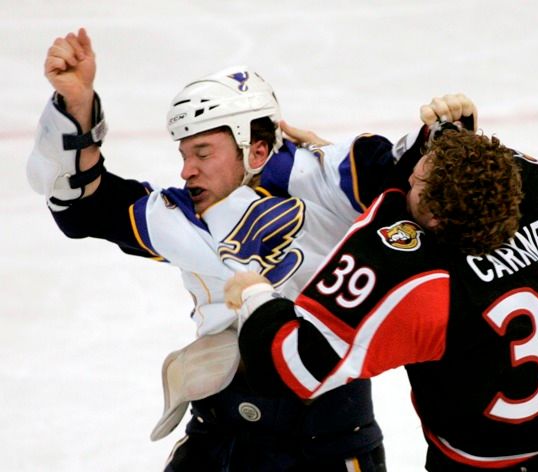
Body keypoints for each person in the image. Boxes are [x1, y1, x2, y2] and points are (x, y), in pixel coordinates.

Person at [27, 28, 474, 471]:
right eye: (184, 153)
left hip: (326, 444)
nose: (186, 170)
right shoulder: (184, 214)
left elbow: (414, 181)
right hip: (219, 435)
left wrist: (449, 140)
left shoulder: (326, 176)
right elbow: (83, 209)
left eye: (203, 152)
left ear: (256, 148)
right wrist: (78, 106)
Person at [224, 126, 538, 471]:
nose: (403, 183)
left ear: (434, 221)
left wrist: (255, 296)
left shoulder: (421, 290)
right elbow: (488, 169)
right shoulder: (534, 196)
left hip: (478, 451)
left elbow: (291, 365)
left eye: (413, 183)